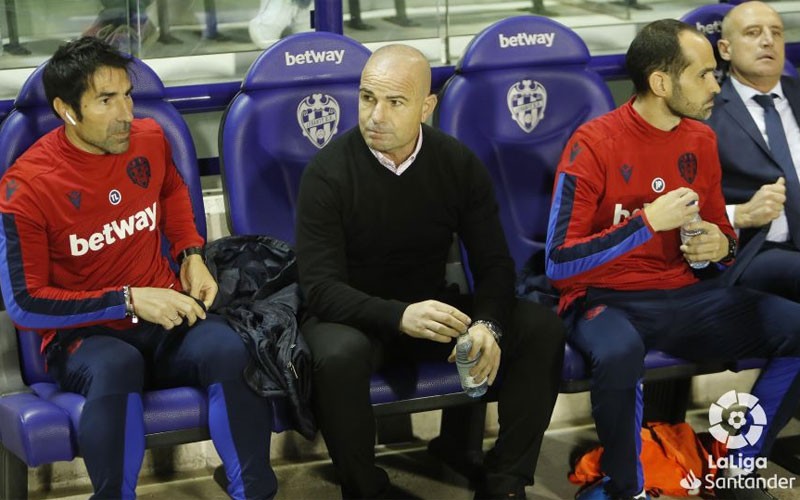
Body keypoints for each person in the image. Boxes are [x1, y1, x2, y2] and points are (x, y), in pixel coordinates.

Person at [0, 37, 276, 499]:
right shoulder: (25, 187)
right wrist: (128, 299)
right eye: (107, 101)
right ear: (67, 110)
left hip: (166, 312)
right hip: (88, 334)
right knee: (117, 365)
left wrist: (191, 255)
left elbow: (171, 193)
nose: (127, 112)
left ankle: (253, 491)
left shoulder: (148, 138)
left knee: (230, 349)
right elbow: (25, 303)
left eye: (127, 94)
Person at [295, 44, 565, 500]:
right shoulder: (327, 173)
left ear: (426, 106)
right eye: (366, 98)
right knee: (335, 354)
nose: (375, 115)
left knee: (540, 328)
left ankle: (506, 482)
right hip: (356, 318)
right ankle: (366, 490)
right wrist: (400, 315)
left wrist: (488, 325)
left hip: (431, 309)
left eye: (394, 102)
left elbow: (495, 264)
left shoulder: (456, 163)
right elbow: (320, 289)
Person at [546, 19, 800, 500]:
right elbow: (559, 261)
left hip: (687, 294)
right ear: (661, 83)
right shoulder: (593, 143)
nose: (715, 84)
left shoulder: (700, 139)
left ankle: (736, 467)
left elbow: (721, 240)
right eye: (703, 74)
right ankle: (628, 489)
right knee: (619, 353)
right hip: (606, 298)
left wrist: (718, 247)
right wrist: (644, 223)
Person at [705, 1, 800, 301]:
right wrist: (740, 214)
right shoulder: (706, 114)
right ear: (725, 49)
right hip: (756, 248)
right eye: (753, 32)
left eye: (776, 32)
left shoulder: (797, 95)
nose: (768, 40)